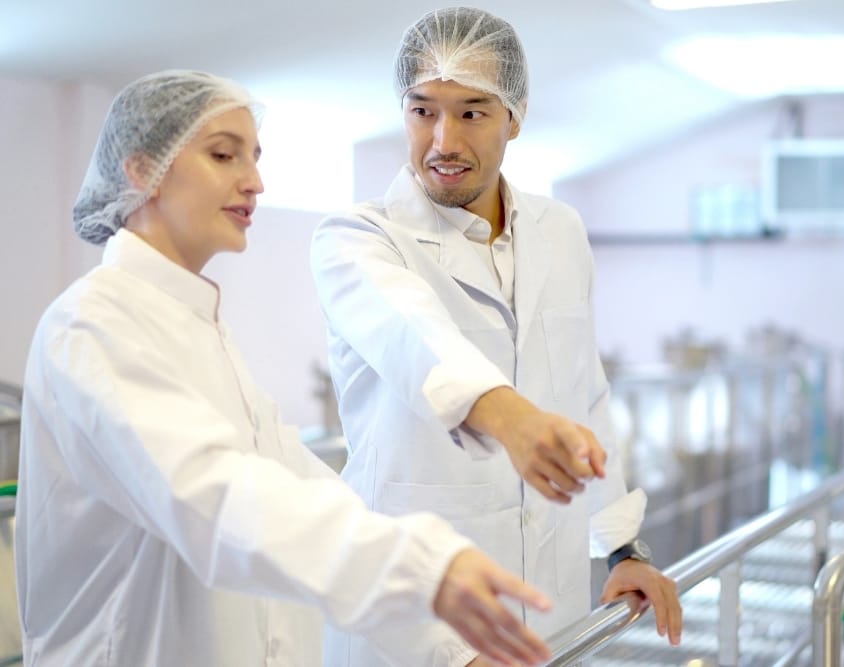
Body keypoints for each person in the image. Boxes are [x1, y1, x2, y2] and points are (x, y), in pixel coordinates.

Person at [14, 69, 554, 667]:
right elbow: (216, 497)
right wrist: (422, 569)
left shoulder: (199, 329)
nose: (254, 182)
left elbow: (299, 486)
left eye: (255, 157)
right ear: (142, 171)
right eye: (224, 155)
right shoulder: (93, 325)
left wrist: (452, 650)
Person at [310, 7, 683, 666]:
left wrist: (622, 548)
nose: (443, 140)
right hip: (416, 626)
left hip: (547, 612)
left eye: (472, 112)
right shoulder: (357, 240)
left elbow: (584, 394)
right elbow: (416, 339)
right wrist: (513, 421)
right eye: (423, 111)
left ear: (515, 116)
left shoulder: (559, 231)